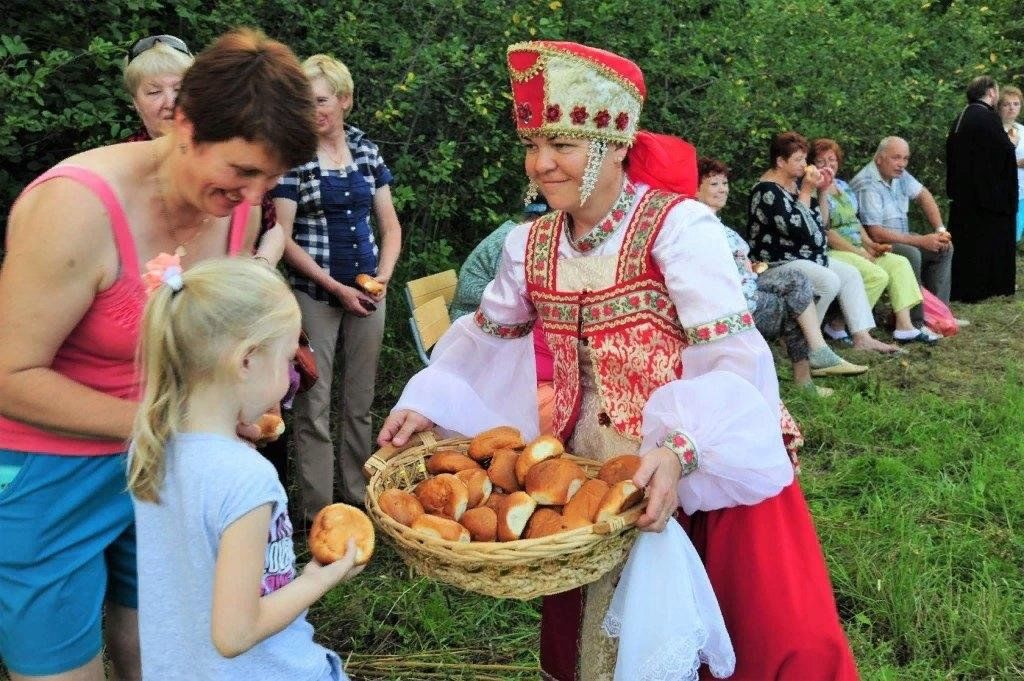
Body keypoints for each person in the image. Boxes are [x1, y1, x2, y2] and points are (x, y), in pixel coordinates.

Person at [379, 41, 857, 680]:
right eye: (533, 146)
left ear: (612, 144)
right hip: (585, 475)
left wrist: (682, 450)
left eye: (564, 146)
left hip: (694, 467)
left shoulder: (677, 228)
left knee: (744, 641)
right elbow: (485, 343)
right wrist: (428, 404)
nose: (542, 164)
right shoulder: (531, 244)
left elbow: (732, 358)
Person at [0, 29, 316, 681]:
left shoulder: (232, 208)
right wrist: (171, 420)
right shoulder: (74, 208)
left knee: (170, 652)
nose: (254, 197)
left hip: (164, 460)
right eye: (242, 172)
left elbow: (207, 340)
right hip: (47, 469)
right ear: (183, 123)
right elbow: (7, 375)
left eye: (270, 179)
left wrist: (236, 404)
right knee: (61, 667)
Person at [129, 258, 360, 680]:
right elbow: (234, 635)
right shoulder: (247, 478)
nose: (293, 375)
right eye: (289, 358)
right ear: (248, 360)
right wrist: (318, 579)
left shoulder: (150, 448)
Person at [272, 54, 402, 521]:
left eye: (322, 100)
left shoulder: (367, 153)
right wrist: (332, 285)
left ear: (344, 100)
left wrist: (383, 275)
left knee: (361, 401)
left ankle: (356, 499)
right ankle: (318, 513)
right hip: (315, 295)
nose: (314, 111)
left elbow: (389, 225)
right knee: (314, 403)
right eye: (305, 103)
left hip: (370, 293)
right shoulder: (293, 157)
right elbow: (282, 236)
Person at [696, 156, 867, 397]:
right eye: (714, 184)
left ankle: (814, 359)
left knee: (797, 285)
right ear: (695, 189)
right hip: (729, 298)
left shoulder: (718, 224)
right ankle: (809, 370)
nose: (722, 189)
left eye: (724, 183)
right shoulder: (699, 223)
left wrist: (751, 267)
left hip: (746, 285)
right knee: (795, 298)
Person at [121, 34, 285, 267]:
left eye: (178, 89)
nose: (170, 102)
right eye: (154, 92)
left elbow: (271, 227)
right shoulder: (121, 163)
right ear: (135, 103)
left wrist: (260, 267)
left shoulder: (225, 152)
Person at [748, 131, 899, 354]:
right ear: (780, 162)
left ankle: (862, 337)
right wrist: (808, 190)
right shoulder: (766, 191)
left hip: (805, 257)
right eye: (798, 160)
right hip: (777, 262)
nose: (804, 165)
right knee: (828, 281)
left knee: (850, 274)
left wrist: (822, 191)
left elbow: (821, 224)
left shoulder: (795, 185)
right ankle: (799, 339)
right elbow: (797, 229)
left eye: (804, 158)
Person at [810, 139, 937, 344]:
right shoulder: (812, 190)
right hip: (834, 250)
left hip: (857, 247)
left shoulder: (842, 185)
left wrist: (870, 245)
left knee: (899, 263)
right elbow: (827, 232)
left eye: (831, 159)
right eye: (820, 160)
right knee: (876, 275)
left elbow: (854, 221)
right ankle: (838, 324)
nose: (827, 164)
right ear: (811, 165)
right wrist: (859, 252)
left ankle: (904, 326)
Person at [449, 201, 557, 433]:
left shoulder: (515, 230)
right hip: (471, 319)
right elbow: (514, 297)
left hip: (481, 314)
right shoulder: (517, 240)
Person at [850, 137, 956, 325]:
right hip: (875, 245)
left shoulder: (899, 175)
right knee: (912, 253)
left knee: (944, 247)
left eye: (905, 158)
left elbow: (924, 195)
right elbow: (875, 233)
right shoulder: (868, 184)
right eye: (896, 158)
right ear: (879, 158)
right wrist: (921, 240)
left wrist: (940, 230)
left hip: (901, 237)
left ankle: (939, 316)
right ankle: (916, 320)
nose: (902, 164)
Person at [946, 76, 1018, 302]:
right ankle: (988, 287)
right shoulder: (986, 118)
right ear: (990, 92)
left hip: (964, 193)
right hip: (986, 197)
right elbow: (1003, 152)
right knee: (984, 244)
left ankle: (964, 286)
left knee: (967, 243)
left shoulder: (962, 116)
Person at [998, 85, 1024, 242]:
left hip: (1022, 193)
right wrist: (1015, 163)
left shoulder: (1022, 130)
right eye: (1006, 104)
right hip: (1000, 193)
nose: (1011, 108)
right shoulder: (993, 130)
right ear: (999, 107)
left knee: (1014, 236)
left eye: (1016, 104)